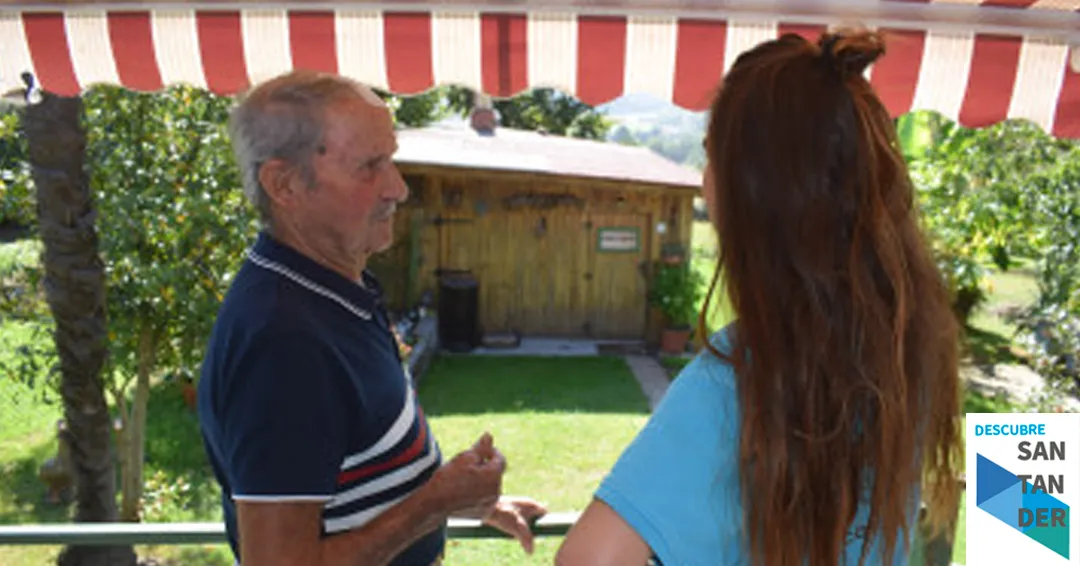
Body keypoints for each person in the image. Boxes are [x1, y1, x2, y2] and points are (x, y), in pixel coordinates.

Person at [556, 29, 962, 566]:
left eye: (710, 157)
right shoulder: (908, 353)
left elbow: (588, 562)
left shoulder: (739, 375)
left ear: (755, 190)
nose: (703, 184)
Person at [197, 70, 546, 566]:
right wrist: (434, 504)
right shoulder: (285, 343)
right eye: (369, 166)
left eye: (392, 160)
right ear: (284, 184)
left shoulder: (331, 289)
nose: (398, 188)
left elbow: (351, 470)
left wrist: (466, 502)